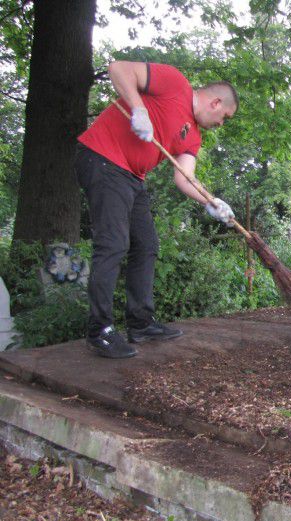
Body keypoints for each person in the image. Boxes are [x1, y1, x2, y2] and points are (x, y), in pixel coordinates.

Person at [75, 61, 238, 359]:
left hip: (131, 177)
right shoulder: (175, 83)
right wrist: (139, 110)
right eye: (224, 117)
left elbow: (185, 178)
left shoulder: (193, 136)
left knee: (146, 244)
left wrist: (211, 201)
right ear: (216, 102)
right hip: (103, 158)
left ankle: (141, 323)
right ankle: (100, 331)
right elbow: (118, 69)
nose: (221, 124)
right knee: (113, 244)